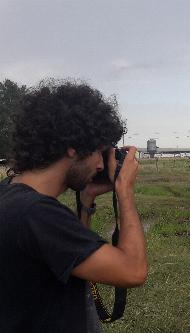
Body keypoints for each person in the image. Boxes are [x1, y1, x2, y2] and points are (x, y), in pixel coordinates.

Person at [0, 80, 148, 333]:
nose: (101, 166)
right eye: (99, 153)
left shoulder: (10, 193)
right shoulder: (36, 214)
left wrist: (87, 198)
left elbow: (67, 255)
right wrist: (125, 191)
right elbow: (133, 271)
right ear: (73, 147)